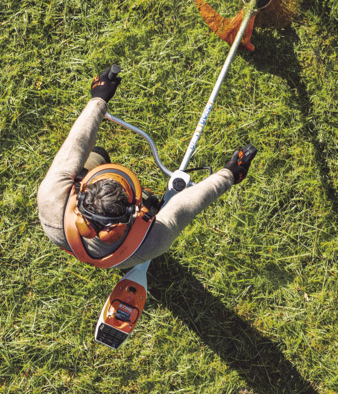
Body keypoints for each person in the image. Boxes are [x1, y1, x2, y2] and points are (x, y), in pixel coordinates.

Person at [37, 62, 256, 270]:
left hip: (69, 235)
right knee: (153, 206)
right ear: (128, 215)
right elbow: (187, 204)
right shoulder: (153, 242)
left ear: (82, 194)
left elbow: (76, 144)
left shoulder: (51, 197)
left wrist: (99, 99)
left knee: (97, 154)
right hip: (124, 255)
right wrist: (229, 175)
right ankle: (149, 203)